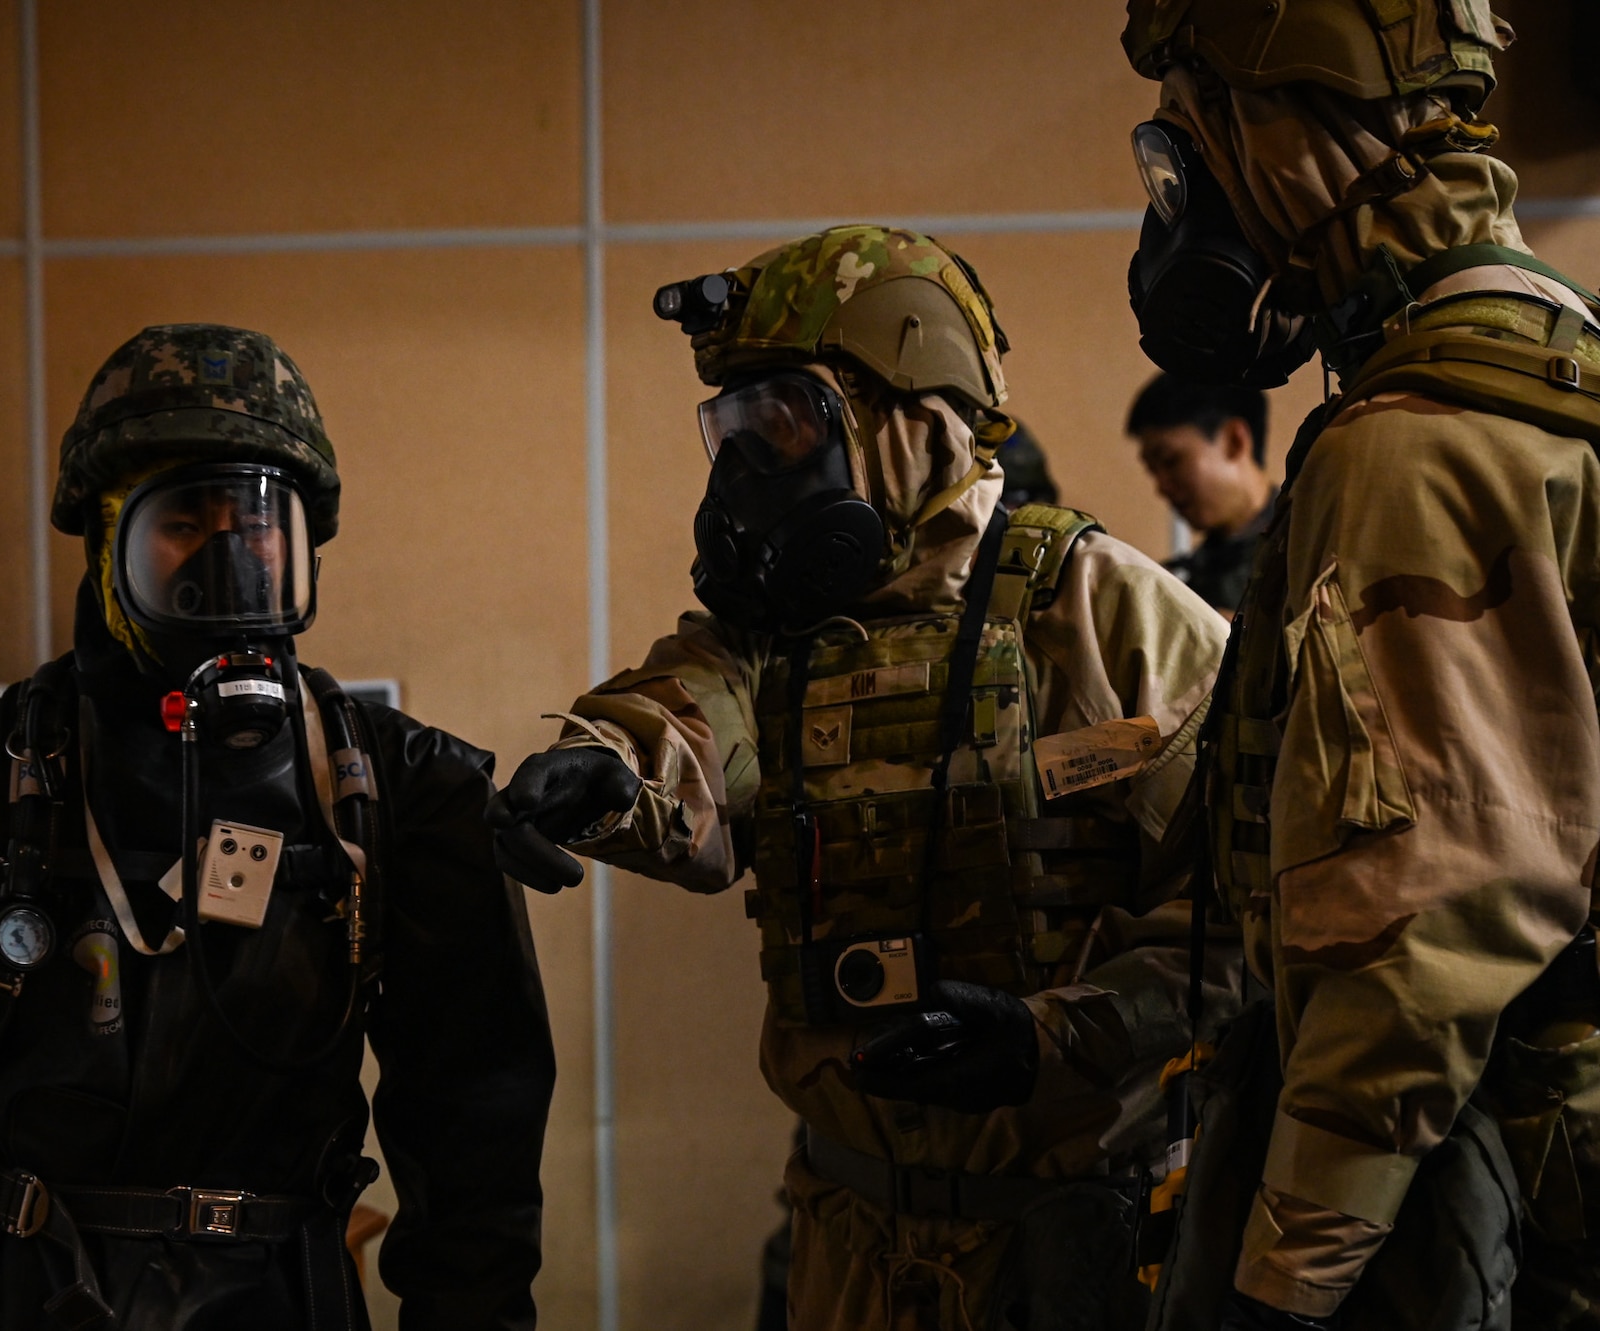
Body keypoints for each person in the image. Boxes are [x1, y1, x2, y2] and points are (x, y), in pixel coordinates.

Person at [489, 226, 1235, 1330]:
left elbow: (1247, 912)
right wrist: (602, 768)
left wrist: (1055, 1033)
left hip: (1076, 1242)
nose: (747, 468)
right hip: (849, 1240)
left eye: (781, 422)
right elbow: (685, 711)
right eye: (731, 431)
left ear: (909, 416)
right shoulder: (778, 634)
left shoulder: (1101, 610)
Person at [0, 324, 556, 1330]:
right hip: (44, 1295)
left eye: (258, 519)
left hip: (291, 1297)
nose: (228, 553)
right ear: (106, 544)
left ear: (303, 545)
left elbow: (475, 1117)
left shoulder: (401, 789)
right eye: (183, 519)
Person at [1121, 1, 1600, 1325]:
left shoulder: (1418, 437)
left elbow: (1425, 926)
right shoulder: (1541, 352)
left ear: (1297, 130)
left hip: (1466, 1200)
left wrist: (1287, 1271)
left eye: (1195, 144)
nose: (1182, 206)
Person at [1125, 374, 1274, 615]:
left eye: (1171, 461)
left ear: (1234, 441)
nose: (1161, 487)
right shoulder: (1190, 577)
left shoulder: (1305, 552)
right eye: (1153, 470)